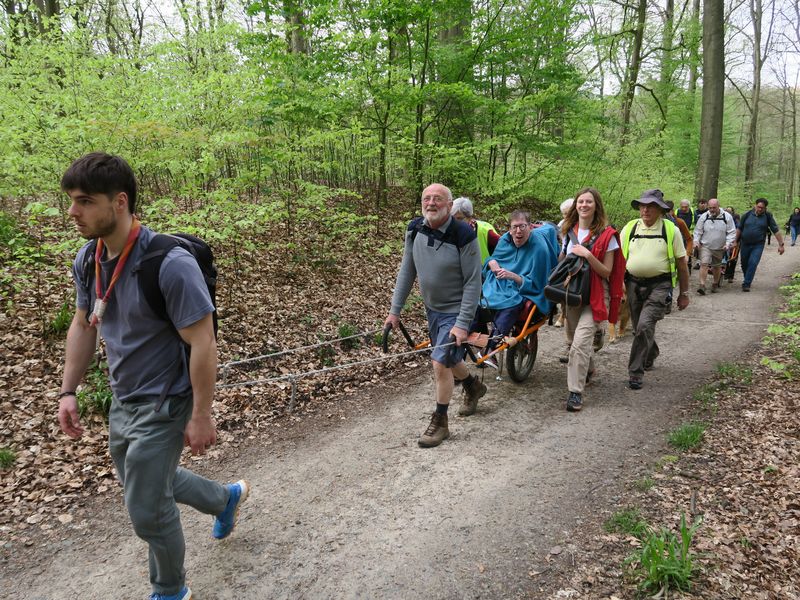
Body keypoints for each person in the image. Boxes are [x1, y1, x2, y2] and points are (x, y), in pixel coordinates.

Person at [56, 153, 248, 600]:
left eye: (84, 201)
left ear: (119, 202)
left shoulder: (169, 263)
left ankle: (170, 590)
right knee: (147, 480)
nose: (72, 212)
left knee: (145, 507)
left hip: (167, 399)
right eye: (70, 201)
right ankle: (225, 499)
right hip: (125, 398)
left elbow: (203, 343)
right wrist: (69, 390)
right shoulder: (88, 259)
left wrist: (201, 415)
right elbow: (83, 324)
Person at [385, 183, 484, 447]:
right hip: (433, 309)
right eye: (426, 198)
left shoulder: (463, 233)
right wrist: (395, 311)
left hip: (458, 309)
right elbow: (407, 271)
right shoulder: (414, 229)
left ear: (450, 206)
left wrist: (463, 324)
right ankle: (473, 386)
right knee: (448, 357)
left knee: (439, 362)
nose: (431, 203)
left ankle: (440, 422)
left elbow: (474, 282)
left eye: (438, 199)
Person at [559, 188, 625, 412]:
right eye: (581, 201)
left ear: (596, 205)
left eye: (589, 202)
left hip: (597, 294)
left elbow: (607, 272)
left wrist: (588, 255)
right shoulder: (568, 230)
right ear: (575, 205)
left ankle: (575, 392)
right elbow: (563, 261)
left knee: (578, 345)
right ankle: (587, 369)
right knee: (574, 341)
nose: (584, 205)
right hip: (574, 293)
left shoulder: (608, 236)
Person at [619, 189, 690, 390]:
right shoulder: (630, 228)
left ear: (660, 209)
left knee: (642, 326)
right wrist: (618, 286)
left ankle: (635, 372)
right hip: (632, 283)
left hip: (660, 285)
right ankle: (651, 353)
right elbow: (618, 259)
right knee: (641, 327)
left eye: (650, 206)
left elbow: (682, 264)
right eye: (642, 205)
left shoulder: (670, 230)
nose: (645, 209)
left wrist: (684, 294)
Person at [480, 210, 559, 366]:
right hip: (500, 285)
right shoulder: (505, 239)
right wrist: (491, 262)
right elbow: (495, 258)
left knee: (512, 305)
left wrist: (514, 276)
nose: (518, 231)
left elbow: (538, 284)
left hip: (521, 289)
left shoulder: (539, 248)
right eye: (514, 227)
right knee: (479, 302)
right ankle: (472, 341)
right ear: (509, 228)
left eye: (522, 226)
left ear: (529, 227)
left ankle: (491, 348)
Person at [734, 198, 785, 291]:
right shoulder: (747, 215)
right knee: (744, 263)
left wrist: (781, 244)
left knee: (753, 263)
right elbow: (739, 229)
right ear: (755, 205)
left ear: (765, 208)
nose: (760, 209)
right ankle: (747, 278)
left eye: (762, 208)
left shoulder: (768, 216)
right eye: (759, 207)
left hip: (758, 244)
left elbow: (776, 231)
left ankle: (746, 284)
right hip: (744, 243)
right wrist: (734, 241)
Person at [693, 199, 736, 294]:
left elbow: (731, 232)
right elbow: (698, 231)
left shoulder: (727, 216)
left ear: (718, 206)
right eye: (710, 208)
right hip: (706, 246)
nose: (712, 210)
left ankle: (715, 283)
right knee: (704, 264)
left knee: (717, 267)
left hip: (720, 247)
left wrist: (728, 243)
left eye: (714, 208)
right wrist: (696, 241)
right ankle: (702, 285)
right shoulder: (704, 216)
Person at [451, 197, 500, 266]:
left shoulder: (484, 230)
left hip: (483, 274)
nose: (455, 222)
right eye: (452, 218)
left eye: (460, 218)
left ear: (470, 217)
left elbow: (506, 248)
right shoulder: (447, 230)